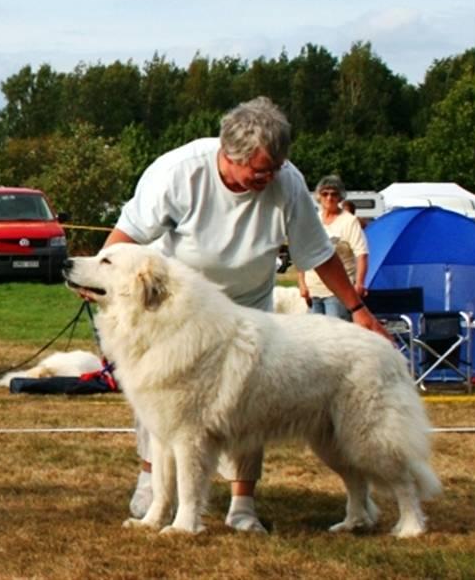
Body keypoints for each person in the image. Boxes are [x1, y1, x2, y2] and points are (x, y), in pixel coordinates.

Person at [99, 96, 389, 534]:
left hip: (248, 307)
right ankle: (152, 488)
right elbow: (127, 237)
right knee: (161, 394)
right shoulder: (177, 172)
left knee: (249, 404)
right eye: (260, 171)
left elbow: (318, 254)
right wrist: (100, 280)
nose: (268, 178)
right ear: (228, 155)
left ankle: (242, 503)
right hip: (181, 311)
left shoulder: (288, 182)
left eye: (274, 169)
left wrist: (358, 309)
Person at [297, 175, 368, 320]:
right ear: (318, 196)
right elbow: (302, 252)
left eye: (334, 194)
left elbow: (362, 254)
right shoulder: (312, 219)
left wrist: (359, 283)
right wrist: (302, 283)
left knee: (337, 338)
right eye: (325, 193)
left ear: (340, 197)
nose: (329, 198)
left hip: (338, 292)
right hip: (313, 290)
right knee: (314, 337)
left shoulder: (349, 221)